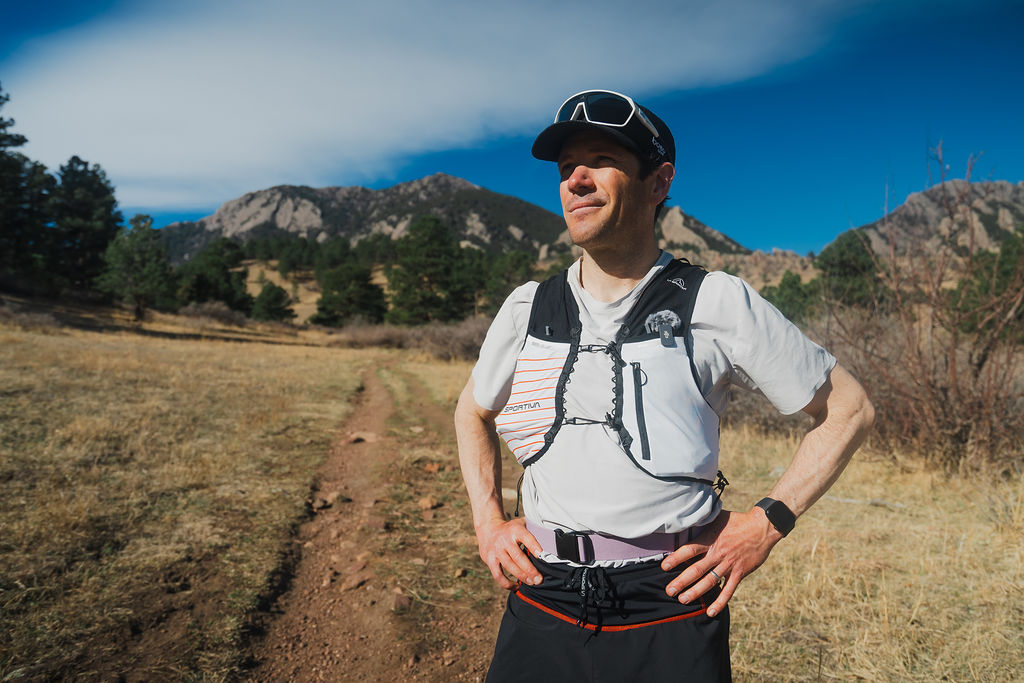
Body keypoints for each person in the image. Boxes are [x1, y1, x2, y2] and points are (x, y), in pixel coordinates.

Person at [454, 89, 874, 681]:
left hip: (670, 601)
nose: (575, 179)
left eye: (599, 159)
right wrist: (488, 524)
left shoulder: (715, 300)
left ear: (658, 183)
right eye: (565, 166)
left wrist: (766, 523)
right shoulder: (528, 307)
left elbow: (849, 411)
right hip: (541, 596)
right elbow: (471, 412)